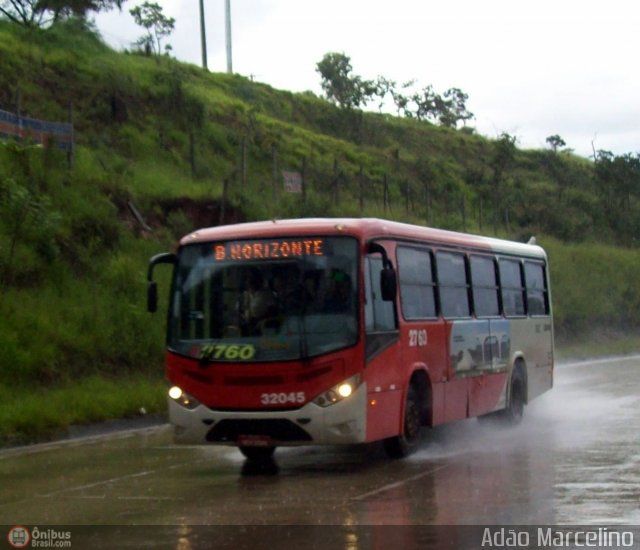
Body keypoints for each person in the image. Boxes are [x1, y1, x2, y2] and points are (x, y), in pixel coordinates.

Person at [241, 268, 275, 334]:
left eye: (252, 278)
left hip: (262, 327)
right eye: (247, 278)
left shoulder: (267, 294)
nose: (249, 280)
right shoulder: (244, 295)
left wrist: (261, 320)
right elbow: (241, 310)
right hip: (246, 327)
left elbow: (272, 311)